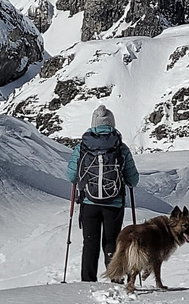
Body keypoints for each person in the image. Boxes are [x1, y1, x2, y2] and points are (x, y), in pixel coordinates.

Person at [67, 104, 139, 282]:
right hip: (113, 204)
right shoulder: (120, 147)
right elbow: (133, 179)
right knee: (111, 241)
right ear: (112, 124)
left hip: (89, 203)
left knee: (90, 243)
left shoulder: (82, 147)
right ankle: (115, 278)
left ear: (93, 124)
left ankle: (88, 281)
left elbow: (71, 176)